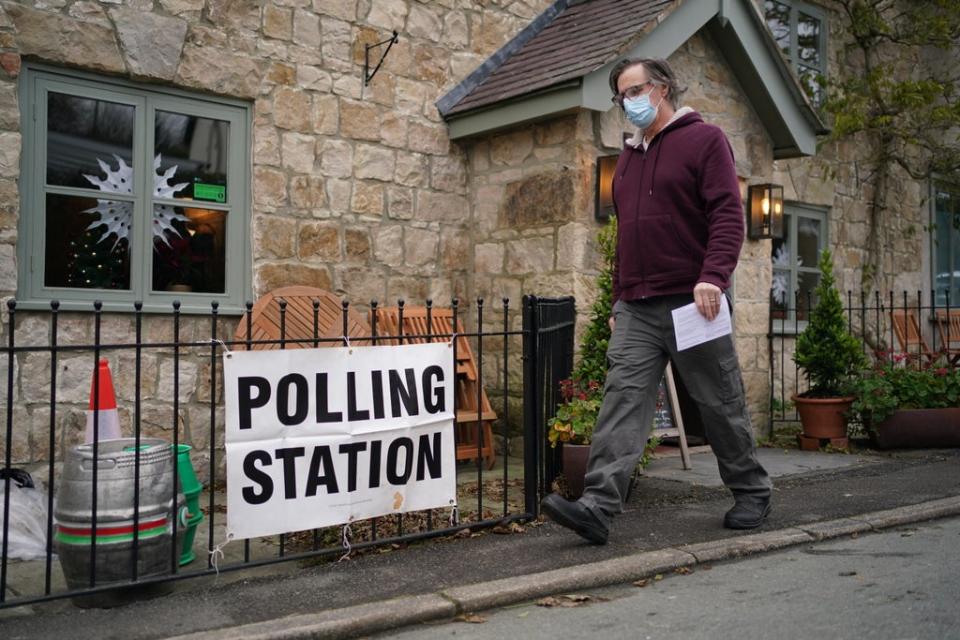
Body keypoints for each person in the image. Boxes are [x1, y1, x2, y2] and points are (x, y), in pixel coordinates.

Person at [541, 58, 772, 544]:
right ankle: (598, 508)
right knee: (622, 400)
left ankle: (751, 491)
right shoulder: (627, 158)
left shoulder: (705, 140)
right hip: (638, 307)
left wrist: (713, 277)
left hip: (695, 301)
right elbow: (628, 234)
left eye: (635, 91)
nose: (629, 102)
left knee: (718, 400)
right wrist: (619, 296)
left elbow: (729, 215)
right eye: (621, 96)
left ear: (662, 88)